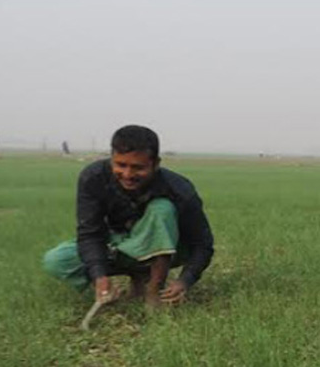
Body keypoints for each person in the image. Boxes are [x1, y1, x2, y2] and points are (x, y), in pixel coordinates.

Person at [42, 125, 214, 307]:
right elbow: (89, 233)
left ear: (156, 163)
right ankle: (135, 276)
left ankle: (154, 288)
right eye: (121, 165)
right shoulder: (94, 178)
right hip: (118, 245)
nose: (128, 174)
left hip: (170, 248)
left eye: (138, 167)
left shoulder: (178, 189)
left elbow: (202, 244)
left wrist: (185, 281)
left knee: (162, 208)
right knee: (57, 261)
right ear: (111, 158)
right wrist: (99, 276)